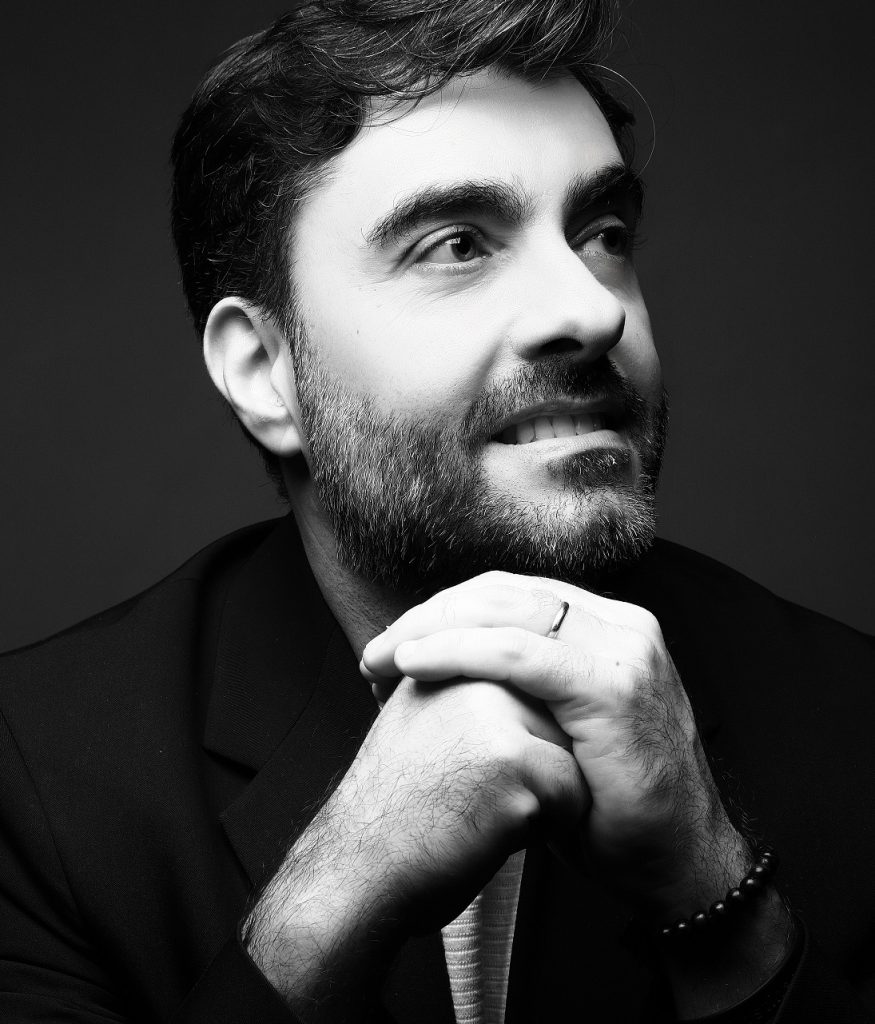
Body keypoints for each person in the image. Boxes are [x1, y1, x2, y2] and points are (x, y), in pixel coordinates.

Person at [1, 2, 873, 1022]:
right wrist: (324, 906)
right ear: (264, 371)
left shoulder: (850, 727)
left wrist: (713, 899)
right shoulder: (35, 775)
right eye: (457, 244)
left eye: (601, 234)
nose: (593, 309)